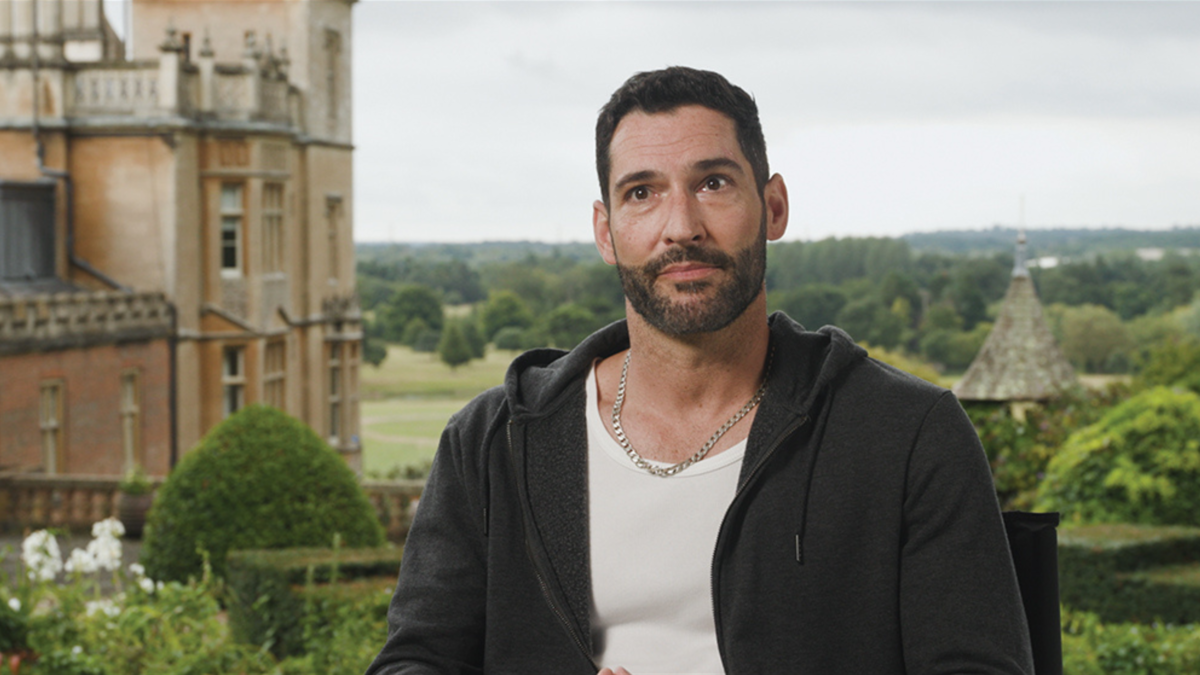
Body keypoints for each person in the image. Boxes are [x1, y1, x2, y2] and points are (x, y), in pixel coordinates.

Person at [366, 66, 1034, 675]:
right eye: (641, 193)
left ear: (772, 206)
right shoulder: (494, 441)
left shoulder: (906, 434)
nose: (680, 225)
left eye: (712, 183)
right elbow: (414, 661)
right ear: (606, 230)